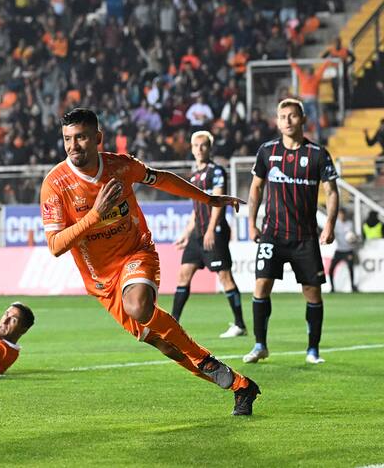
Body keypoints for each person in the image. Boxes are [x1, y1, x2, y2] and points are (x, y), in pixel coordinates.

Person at [39, 107, 260, 416]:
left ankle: (204, 356)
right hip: (101, 281)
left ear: (97, 138)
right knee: (167, 346)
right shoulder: (56, 184)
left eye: (81, 138)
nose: (73, 147)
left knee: (139, 305)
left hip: (136, 253)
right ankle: (240, 386)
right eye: (67, 139)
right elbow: (55, 246)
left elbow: (162, 179)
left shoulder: (121, 167)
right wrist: (95, 217)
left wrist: (208, 199)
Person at [245, 98, 339, 365]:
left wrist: (330, 224)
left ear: (303, 119)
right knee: (261, 285)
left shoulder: (318, 154)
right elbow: (256, 189)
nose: (287, 121)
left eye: (292, 116)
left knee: (312, 292)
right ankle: (260, 344)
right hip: (272, 233)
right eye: (282, 116)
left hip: (305, 236)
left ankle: (312, 349)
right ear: (277, 121)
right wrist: (252, 223)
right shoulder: (266, 151)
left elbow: (332, 192)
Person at [172, 131, 247, 337]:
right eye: (196, 145)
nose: (199, 149)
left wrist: (211, 230)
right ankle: (173, 323)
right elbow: (196, 212)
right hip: (197, 236)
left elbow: (218, 203)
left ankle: (240, 325)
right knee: (183, 275)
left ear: (209, 148)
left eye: (203, 145)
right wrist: (186, 233)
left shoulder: (217, 172)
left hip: (214, 233)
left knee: (225, 277)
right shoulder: (194, 176)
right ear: (191, 148)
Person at [329, 209, 359, 293]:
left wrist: (354, 238)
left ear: (344, 215)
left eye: (342, 214)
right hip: (339, 250)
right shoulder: (335, 224)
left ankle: (353, 287)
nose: (341, 216)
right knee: (331, 269)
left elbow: (354, 236)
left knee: (350, 269)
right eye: (339, 215)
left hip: (348, 251)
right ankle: (332, 288)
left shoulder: (349, 224)